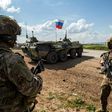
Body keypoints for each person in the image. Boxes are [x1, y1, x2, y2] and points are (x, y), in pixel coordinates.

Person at [0, 15, 43, 112]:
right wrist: (37, 78)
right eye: (15, 35)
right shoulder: (11, 60)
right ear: (8, 36)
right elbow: (32, 88)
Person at [96, 37, 112, 112]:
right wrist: (103, 67)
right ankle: (103, 109)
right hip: (107, 78)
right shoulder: (106, 55)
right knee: (103, 95)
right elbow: (102, 63)